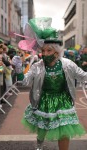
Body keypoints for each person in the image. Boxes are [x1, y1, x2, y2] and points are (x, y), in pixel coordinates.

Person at [21, 17, 86, 150]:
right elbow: (24, 81)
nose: (45, 54)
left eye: (48, 51)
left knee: (64, 130)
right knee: (42, 127)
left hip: (63, 100)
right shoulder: (37, 66)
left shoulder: (67, 64)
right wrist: (18, 69)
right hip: (44, 100)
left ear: (56, 51)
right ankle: (39, 144)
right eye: (43, 51)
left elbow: (83, 76)